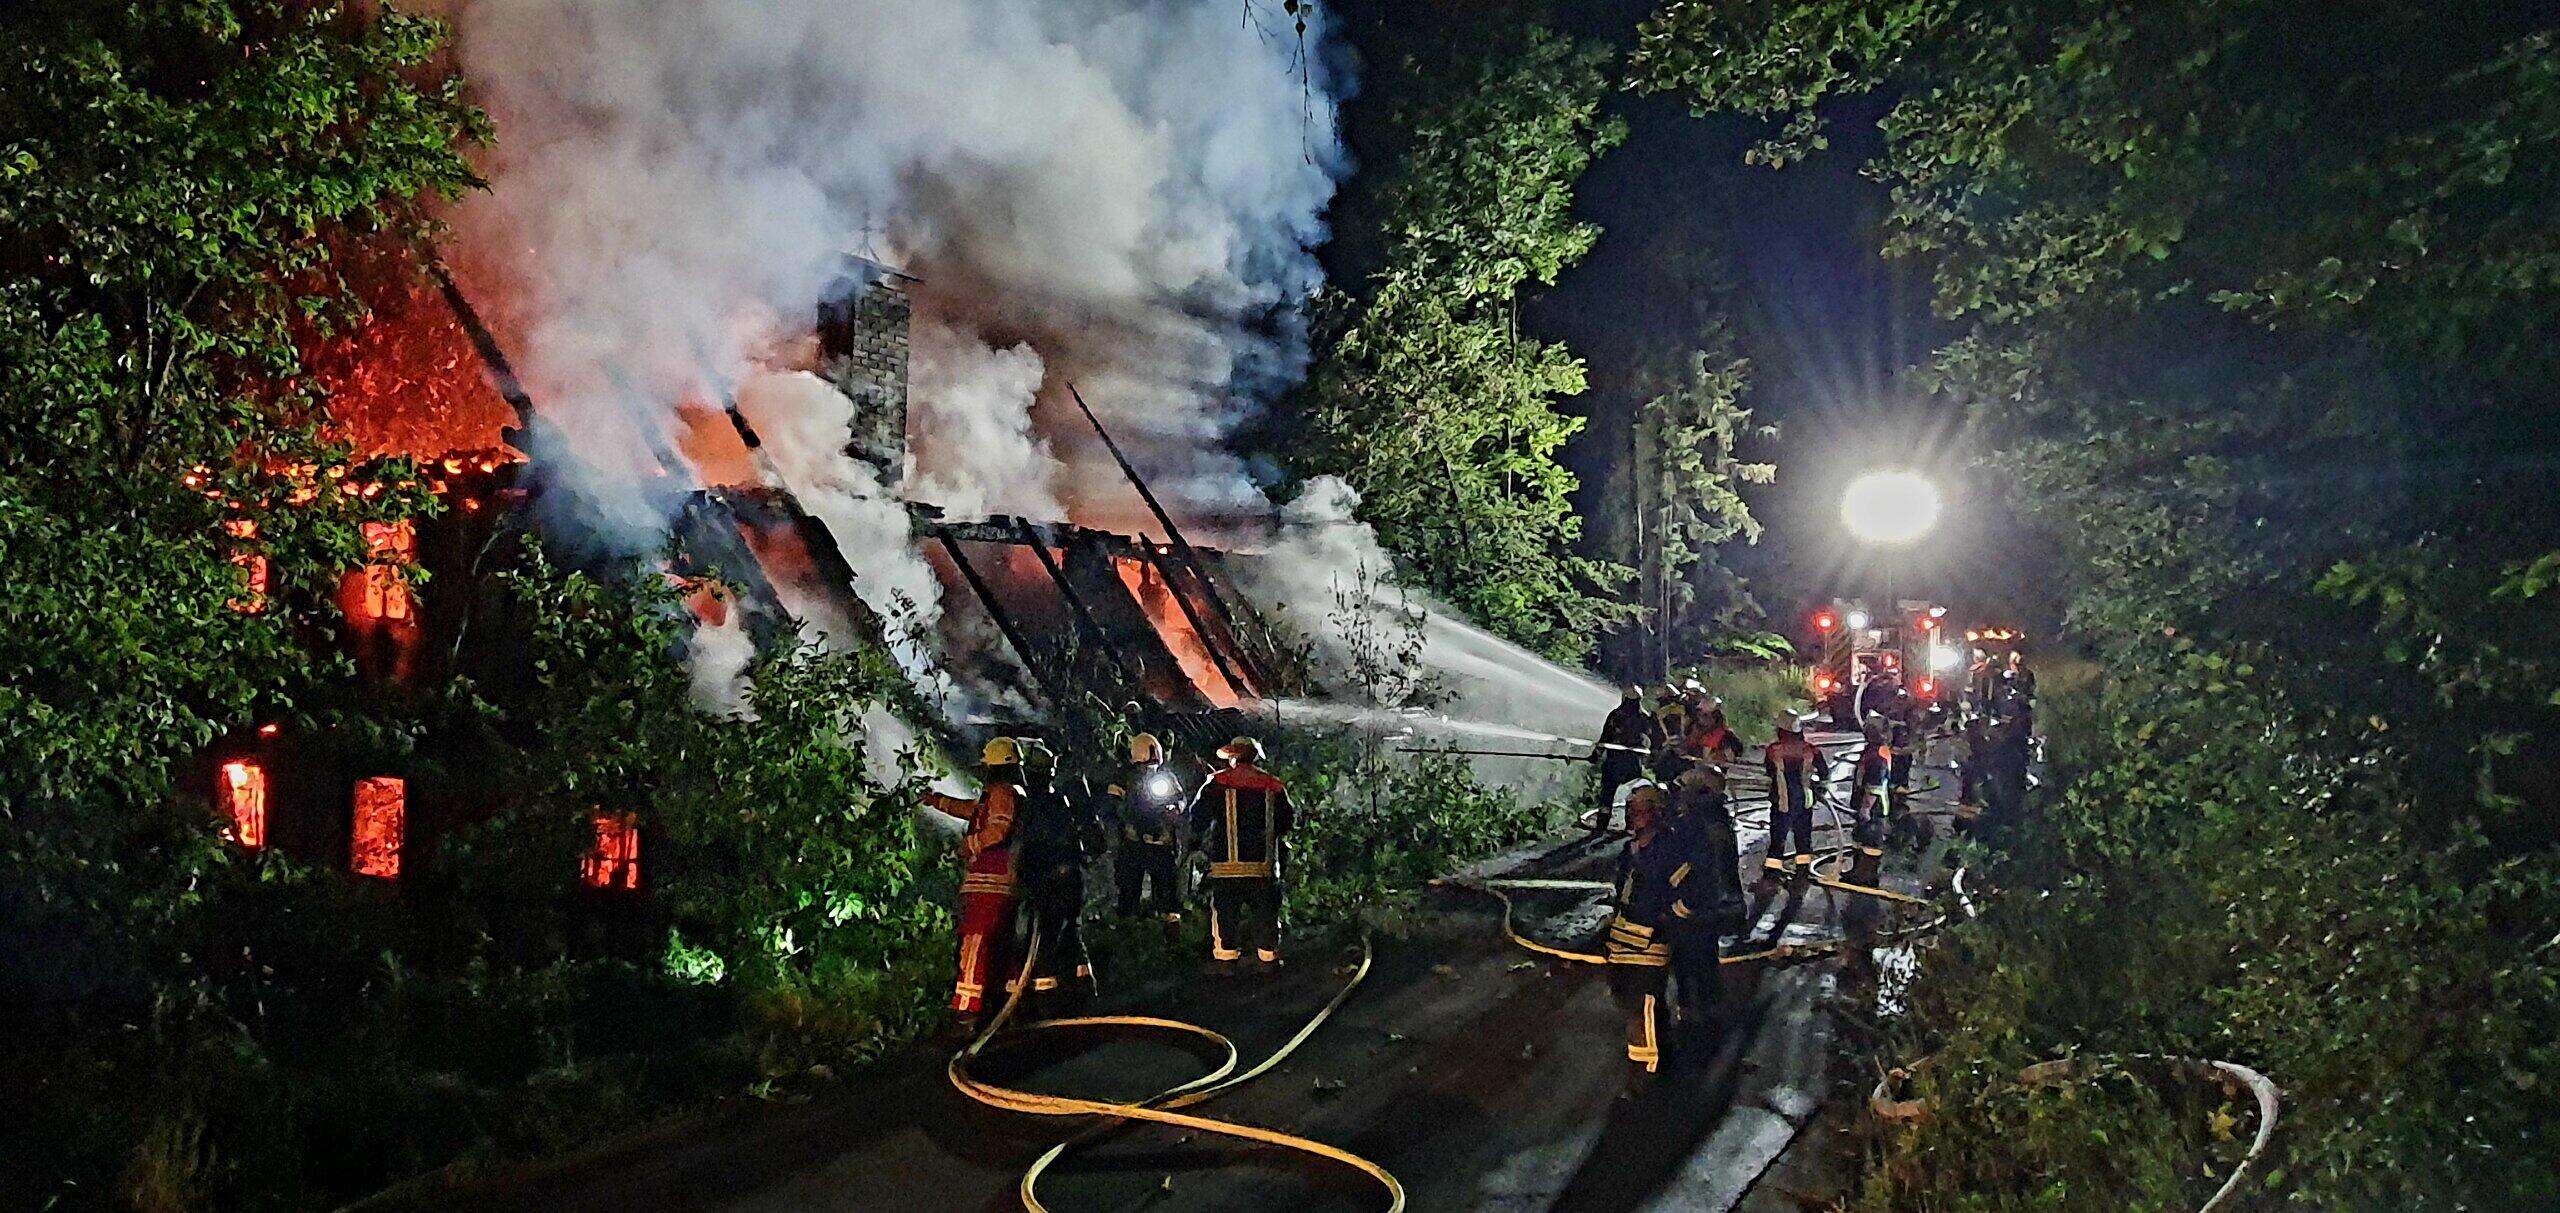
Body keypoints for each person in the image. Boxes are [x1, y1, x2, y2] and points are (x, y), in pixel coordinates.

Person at [922, 737, 1028, 1027]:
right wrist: (936, 801)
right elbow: (973, 811)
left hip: (990, 884)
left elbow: (997, 831)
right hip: (997, 883)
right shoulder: (1000, 793)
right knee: (1000, 946)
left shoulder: (1003, 793)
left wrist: (968, 846)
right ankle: (1006, 1004)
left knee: (975, 944)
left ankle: (967, 1009)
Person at [1189, 737, 1295, 968]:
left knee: (1226, 914)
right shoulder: (1273, 786)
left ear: (1233, 757)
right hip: (1262, 867)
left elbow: (1197, 819)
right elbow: (1287, 823)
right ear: (1255, 756)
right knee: (1266, 913)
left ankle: (1226, 962)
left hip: (1225, 867)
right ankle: (1268, 959)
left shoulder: (1216, 783)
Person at [1662, 764, 1746, 1042]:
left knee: (1686, 959)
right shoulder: (1719, 820)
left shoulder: (1693, 825)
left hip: (1694, 907)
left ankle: (1691, 1016)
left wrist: (1675, 903)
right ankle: (1711, 1010)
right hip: (1717, 905)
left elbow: (1690, 867)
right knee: (1706, 958)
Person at [1013, 739, 1098, 1012]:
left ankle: (1045, 999)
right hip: (1072, 878)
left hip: (1050, 879)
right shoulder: (1062, 800)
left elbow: (1034, 845)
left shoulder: (1031, 805)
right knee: (1071, 929)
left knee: (1044, 936)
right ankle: (1084, 989)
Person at [1604, 783, 1677, 1081]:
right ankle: (1661, 1053)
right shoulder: (1629, 849)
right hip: (1623, 940)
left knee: (1643, 1004)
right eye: (1631, 811)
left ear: (1656, 813)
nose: (1634, 816)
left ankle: (1646, 1070)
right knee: (1627, 998)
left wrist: (1666, 922)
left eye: (1641, 810)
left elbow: (1686, 892)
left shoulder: (1668, 850)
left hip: (1651, 942)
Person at [1111, 732, 1186, 922]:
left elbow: (1180, 798)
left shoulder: (1165, 777)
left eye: (1153, 764)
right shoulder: (1123, 777)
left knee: (1166, 888)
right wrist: (1127, 825)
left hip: (1161, 841)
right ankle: (1128, 925)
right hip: (1132, 842)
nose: (1150, 768)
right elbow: (1113, 805)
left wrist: (1175, 809)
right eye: (1146, 764)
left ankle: (1168, 927)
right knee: (1129, 886)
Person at [1760, 709, 1833, 881]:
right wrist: (1819, 789)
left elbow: (1770, 772)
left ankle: (1772, 873)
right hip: (1805, 800)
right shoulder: (1811, 750)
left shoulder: (1773, 750)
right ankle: (1802, 871)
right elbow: (1824, 773)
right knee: (1803, 836)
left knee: (1778, 837)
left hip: (1782, 799)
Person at [1588, 686, 1661, 835]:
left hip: (1615, 761)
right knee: (1631, 794)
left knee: (1608, 794)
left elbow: (1605, 737)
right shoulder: (1643, 717)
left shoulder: (1616, 715)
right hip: (1631, 762)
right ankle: (1629, 827)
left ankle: (1602, 826)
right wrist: (1652, 754)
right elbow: (1655, 739)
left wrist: (1596, 754)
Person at [1848, 713, 1895, 858]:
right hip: (1874, 805)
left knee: (1869, 841)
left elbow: (1875, 784)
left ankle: (1866, 874)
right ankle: (1859, 871)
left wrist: (1866, 807)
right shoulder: (1876, 750)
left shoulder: (1877, 755)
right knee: (1862, 838)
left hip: (1874, 807)